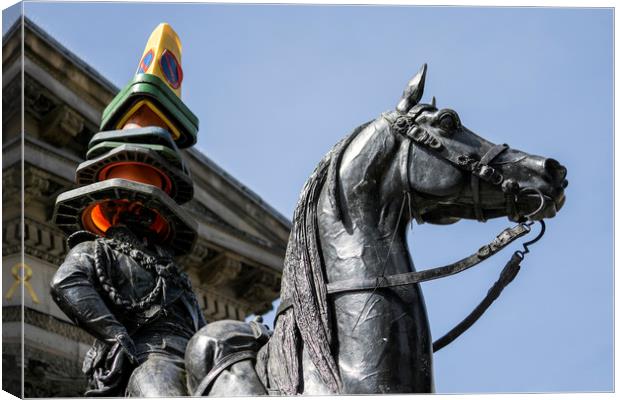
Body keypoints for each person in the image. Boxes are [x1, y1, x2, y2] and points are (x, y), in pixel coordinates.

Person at [50, 207, 205, 397]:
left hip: (197, 354)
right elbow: (66, 281)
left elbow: (201, 325)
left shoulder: (174, 274)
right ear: (115, 216)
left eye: (150, 213)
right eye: (137, 211)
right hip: (150, 352)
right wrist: (115, 333)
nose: (146, 219)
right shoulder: (96, 249)